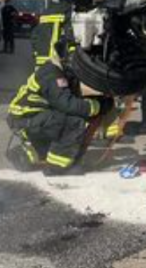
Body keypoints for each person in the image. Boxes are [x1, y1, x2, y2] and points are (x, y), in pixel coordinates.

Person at [7, 39, 110, 173]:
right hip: (25, 117)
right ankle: (57, 168)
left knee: (66, 126)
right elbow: (68, 104)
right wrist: (98, 106)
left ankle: (35, 152)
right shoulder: (52, 73)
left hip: (34, 116)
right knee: (74, 123)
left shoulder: (61, 70)